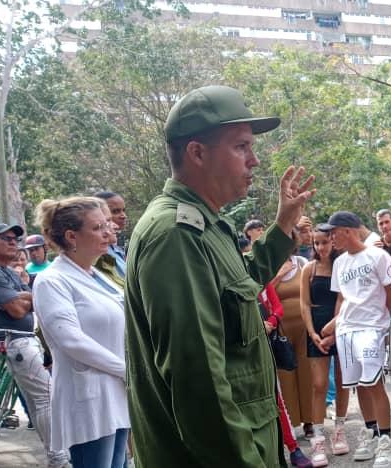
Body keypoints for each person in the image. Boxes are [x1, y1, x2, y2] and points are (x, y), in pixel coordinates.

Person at [125, 85, 315, 467]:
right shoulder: (176, 235)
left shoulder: (209, 225)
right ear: (197, 153)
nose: (254, 160)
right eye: (241, 147)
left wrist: (282, 226)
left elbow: (240, 288)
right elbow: (199, 383)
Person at [32, 197, 129, 468]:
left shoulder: (96, 275)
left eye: (107, 224)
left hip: (116, 392)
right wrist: (127, 370)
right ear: (72, 236)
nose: (108, 232)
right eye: (97, 227)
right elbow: (71, 340)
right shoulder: (52, 280)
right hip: (89, 398)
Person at [0, 223, 69, 467]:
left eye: (15, 239)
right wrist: (23, 298)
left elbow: (34, 300)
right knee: (47, 397)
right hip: (14, 342)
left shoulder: (7, 272)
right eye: (5, 238)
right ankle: (58, 459)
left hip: (23, 339)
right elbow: (16, 310)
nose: (13, 242)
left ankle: (55, 454)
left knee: (38, 399)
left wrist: (23, 297)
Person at [320, 211, 391, 468]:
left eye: (333, 233)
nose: (331, 238)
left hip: (371, 328)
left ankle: (387, 442)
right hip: (347, 330)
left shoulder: (378, 255)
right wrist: (335, 329)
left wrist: (379, 317)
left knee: (374, 383)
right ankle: (371, 434)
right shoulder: (340, 263)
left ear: (348, 230)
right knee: (360, 386)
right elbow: (342, 299)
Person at [299, 227, 351, 467]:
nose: (321, 247)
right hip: (316, 328)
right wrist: (312, 332)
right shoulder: (308, 269)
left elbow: (345, 298)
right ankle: (318, 437)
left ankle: (339, 429)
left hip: (341, 325)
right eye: (316, 243)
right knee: (319, 384)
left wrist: (335, 328)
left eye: (325, 242)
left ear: (333, 241)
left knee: (342, 382)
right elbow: (304, 303)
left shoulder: (343, 266)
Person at [273, 242, 315, 440]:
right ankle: (292, 423)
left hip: (303, 326)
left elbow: (310, 293)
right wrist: (279, 274)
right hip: (281, 329)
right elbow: (263, 293)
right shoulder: (271, 266)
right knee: (285, 375)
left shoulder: (302, 263)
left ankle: (310, 421)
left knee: (307, 373)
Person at [93, 191, 128, 278]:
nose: (123, 216)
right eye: (115, 211)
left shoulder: (117, 241)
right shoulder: (97, 252)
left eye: (123, 210)